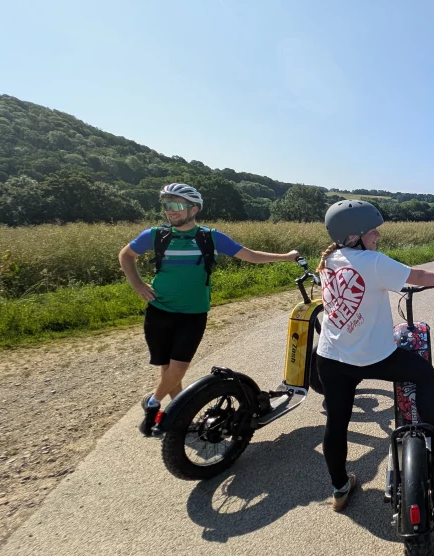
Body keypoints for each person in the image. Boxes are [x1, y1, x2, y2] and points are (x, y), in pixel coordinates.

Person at [315, 199, 434, 512]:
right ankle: (433, 443)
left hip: (330, 358)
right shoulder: (372, 262)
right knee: (423, 373)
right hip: (374, 357)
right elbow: (418, 276)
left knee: (337, 423)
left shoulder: (330, 259)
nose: (378, 236)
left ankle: (340, 488)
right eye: (372, 231)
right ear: (354, 236)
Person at [119, 183, 299, 436]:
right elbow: (126, 255)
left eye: (177, 205)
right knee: (168, 369)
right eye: (167, 205)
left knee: (178, 369)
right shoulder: (155, 235)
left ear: (194, 209)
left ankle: (152, 402)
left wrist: (287, 256)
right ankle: (179, 417)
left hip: (193, 314)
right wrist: (137, 284)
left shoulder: (210, 238)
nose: (170, 210)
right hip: (159, 311)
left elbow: (250, 256)